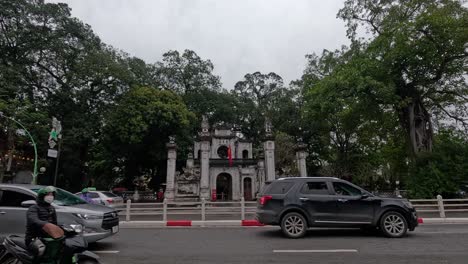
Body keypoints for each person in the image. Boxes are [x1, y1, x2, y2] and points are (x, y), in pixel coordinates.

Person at [25, 186, 64, 260]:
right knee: (41, 252)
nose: (50, 197)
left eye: (52, 195)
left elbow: (54, 223)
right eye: (48, 195)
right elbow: (34, 220)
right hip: (34, 238)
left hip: (48, 237)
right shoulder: (33, 208)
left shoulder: (51, 208)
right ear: (42, 196)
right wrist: (45, 224)